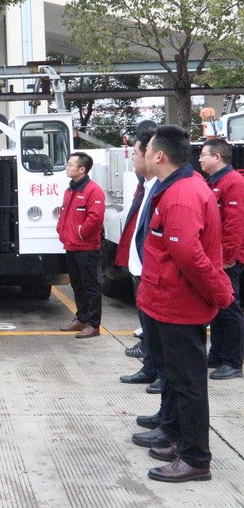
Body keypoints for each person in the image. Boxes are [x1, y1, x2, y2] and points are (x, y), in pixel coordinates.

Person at [131, 125, 234, 483]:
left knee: (189, 385)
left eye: (146, 150)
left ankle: (195, 458)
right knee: (178, 379)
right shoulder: (175, 188)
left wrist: (221, 293)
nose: (142, 155)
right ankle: (179, 439)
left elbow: (189, 255)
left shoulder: (181, 196)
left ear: (159, 155)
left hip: (179, 304)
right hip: (167, 301)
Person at [116, 129, 161, 387]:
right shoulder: (146, 187)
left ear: (154, 156)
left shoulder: (163, 191)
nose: (132, 158)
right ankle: (151, 367)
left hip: (153, 273)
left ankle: (163, 375)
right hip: (141, 270)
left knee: (161, 330)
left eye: (136, 153)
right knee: (148, 326)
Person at [198, 137, 244, 380]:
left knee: (230, 307)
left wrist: (227, 257)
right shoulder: (213, 182)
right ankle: (217, 354)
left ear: (217, 157)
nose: (200, 159)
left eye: (204, 155)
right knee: (217, 306)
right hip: (216, 256)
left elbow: (235, 223)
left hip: (228, 259)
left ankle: (233, 361)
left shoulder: (233, 182)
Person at [56, 151, 106, 338]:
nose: (67, 167)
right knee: (77, 286)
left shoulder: (93, 190)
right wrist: (62, 231)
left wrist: (79, 233)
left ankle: (93, 324)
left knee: (90, 287)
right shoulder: (70, 189)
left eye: (71, 165)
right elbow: (65, 215)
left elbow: (95, 218)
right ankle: (81, 318)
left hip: (86, 248)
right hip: (71, 246)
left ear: (82, 169)